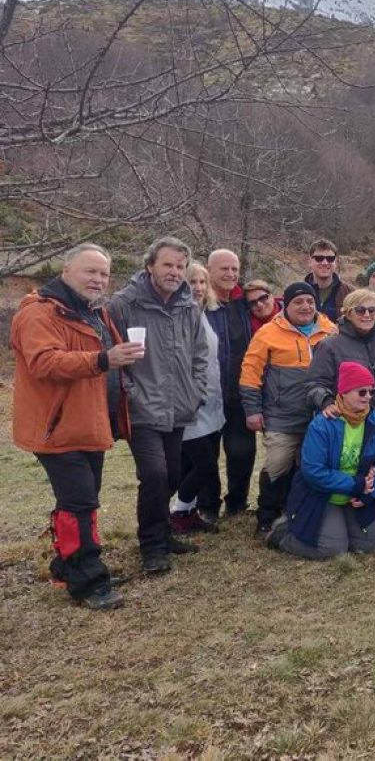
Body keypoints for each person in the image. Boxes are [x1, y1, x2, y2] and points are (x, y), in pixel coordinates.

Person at [11, 243, 137, 610]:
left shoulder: (93, 311)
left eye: (104, 273)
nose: (98, 279)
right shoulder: (38, 314)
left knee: (83, 498)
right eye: (90, 271)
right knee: (79, 501)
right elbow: (44, 363)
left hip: (90, 422)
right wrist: (102, 359)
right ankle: (88, 580)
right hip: (57, 427)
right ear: (66, 271)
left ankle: (67, 566)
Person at [109, 237, 207, 574]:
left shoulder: (189, 307)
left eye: (180, 266)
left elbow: (200, 355)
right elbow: (113, 358)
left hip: (179, 406)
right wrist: (130, 393)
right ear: (150, 265)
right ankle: (151, 546)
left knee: (173, 474)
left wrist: (195, 391)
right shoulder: (124, 304)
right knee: (154, 474)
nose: (175, 272)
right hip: (141, 408)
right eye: (168, 265)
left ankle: (163, 532)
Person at [267, 362, 375, 559]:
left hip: (355, 493)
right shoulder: (322, 424)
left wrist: (371, 491)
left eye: (371, 392)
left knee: (368, 546)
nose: (368, 397)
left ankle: (339, 526)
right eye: (362, 392)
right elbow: (313, 471)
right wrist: (356, 484)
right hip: (323, 494)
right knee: (333, 550)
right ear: (344, 392)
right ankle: (281, 536)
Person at [241, 282, 337, 533]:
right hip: (281, 416)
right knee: (278, 463)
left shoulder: (330, 330)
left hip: (319, 416)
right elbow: (250, 373)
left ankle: (298, 513)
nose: (305, 306)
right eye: (298, 302)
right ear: (286, 305)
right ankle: (266, 515)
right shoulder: (268, 333)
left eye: (310, 301)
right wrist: (252, 410)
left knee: (310, 465)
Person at [171, 263, 225, 536]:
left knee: (195, 464)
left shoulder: (202, 314)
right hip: (189, 404)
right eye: (192, 282)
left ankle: (188, 511)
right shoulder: (177, 317)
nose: (199, 288)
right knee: (204, 466)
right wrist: (192, 395)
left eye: (203, 282)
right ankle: (177, 512)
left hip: (211, 402)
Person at [205, 248, 256, 519]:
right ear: (209, 271)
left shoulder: (243, 303)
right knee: (206, 454)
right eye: (224, 269)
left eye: (234, 269)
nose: (230, 274)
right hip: (208, 393)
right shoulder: (199, 305)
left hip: (240, 392)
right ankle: (207, 505)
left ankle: (237, 503)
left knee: (242, 452)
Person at [308, 288, 375, 418]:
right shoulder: (329, 345)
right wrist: (326, 402)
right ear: (348, 313)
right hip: (348, 420)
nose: (367, 315)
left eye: (372, 310)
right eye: (360, 310)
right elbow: (315, 384)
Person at [305, 238, 353, 322]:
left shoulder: (350, 293)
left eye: (330, 258)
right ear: (309, 261)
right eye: (319, 258)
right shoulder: (297, 292)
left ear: (336, 262)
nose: (325, 263)